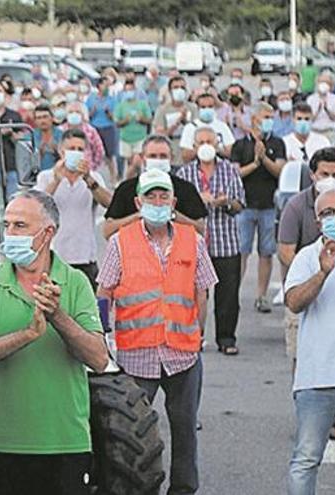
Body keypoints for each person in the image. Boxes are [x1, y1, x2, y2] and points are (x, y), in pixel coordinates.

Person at [0, 189, 108, 495]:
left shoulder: (75, 282)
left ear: (48, 233)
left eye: (20, 226)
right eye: (7, 225)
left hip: (64, 445)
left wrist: (57, 315)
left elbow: (98, 358)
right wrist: (27, 335)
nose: (10, 233)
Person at [97, 169, 217, 495]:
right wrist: (105, 337)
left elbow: (202, 291)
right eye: (151, 196)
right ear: (138, 201)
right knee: (129, 430)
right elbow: (104, 292)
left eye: (164, 195)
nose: (158, 201)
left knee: (184, 429)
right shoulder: (120, 242)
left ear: (174, 202)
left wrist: (199, 333)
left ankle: (183, 489)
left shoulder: (194, 240)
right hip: (137, 355)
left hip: (182, 354)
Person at [284, 188, 335, 494]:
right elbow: (293, 302)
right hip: (317, 378)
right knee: (305, 460)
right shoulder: (308, 256)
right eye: (328, 213)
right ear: (318, 222)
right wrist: (322, 273)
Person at [278, 147, 335, 367]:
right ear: (312, 175)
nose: (330, 180)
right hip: (307, 289)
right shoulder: (296, 206)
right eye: (324, 175)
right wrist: (313, 271)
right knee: (304, 362)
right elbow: (285, 251)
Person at [176, 127, 245, 355]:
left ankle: (226, 338)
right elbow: (176, 209)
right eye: (201, 141)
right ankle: (194, 336)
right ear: (194, 147)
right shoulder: (185, 174)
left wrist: (225, 202)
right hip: (193, 244)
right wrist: (198, 201)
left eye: (210, 141)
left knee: (228, 293)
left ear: (217, 145)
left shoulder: (229, 171)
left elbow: (240, 204)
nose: (206, 145)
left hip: (225, 242)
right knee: (193, 293)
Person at [35, 129, 112, 288]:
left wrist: (88, 179)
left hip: (85, 258)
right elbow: (37, 207)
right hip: (55, 258)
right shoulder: (46, 177)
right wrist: (56, 180)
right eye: (71, 149)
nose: (76, 153)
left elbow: (109, 204)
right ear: (61, 151)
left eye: (80, 149)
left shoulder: (94, 178)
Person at [230, 103, 287, 313]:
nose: (269, 120)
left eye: (271, 116)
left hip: (268, 206)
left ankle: (261, 296)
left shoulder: (277, 143)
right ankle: (233, 294)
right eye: (265, 116)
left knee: (266, 252)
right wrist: (254, 163)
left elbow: (280, 171)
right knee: (241, 251)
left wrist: (264, 159)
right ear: (254, 119)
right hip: (245, 206)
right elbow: (235, 173)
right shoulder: (239, 145)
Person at [103, 135, 208, 239]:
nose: (158, 160)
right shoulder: (126, 189)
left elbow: (201, 229)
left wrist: (173, 215)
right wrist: (140, 215)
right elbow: (108, 231)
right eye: (152, 156)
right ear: (142, 157)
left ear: (171, 158)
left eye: (163, 156)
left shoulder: (186, 189)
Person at [0, 83, 24, 196]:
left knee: (12, 199)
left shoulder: (14, 116)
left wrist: (12, 133)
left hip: (11, 166)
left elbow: (22, 139)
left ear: (5, 95)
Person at [153, 76, 197, 164]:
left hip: (188, 152)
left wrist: (185, 121)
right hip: (171, 150)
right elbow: (160, 135)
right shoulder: (163, 110)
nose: (179, 90)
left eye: (182, 87)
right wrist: (177, 122)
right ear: (170, 91)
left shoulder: (192, 108)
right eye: (176, 87)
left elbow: (197, 131)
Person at [179, 93, 234, 163]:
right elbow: (185, 156)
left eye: (210, 106)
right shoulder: (190, 128)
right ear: (198, 108)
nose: (207, 109)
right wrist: (203, 148)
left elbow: (230, 152)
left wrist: (216, 148)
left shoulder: (222, 126)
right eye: (203, 107)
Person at [114, 79, 152, 178]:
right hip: (126, 138)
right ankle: (130, 180)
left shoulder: (142, 104)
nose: (129, 93)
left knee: (137, 161)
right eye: (127, 91)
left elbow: (149, 120)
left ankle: (136, 178)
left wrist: (141, 119)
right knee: (129, 162)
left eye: (131, 90)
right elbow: (117, 123)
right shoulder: (120, 106)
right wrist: (124, 121)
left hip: (140, 137)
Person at [87, 76, 119, 183]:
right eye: (104, 85)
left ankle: (113, 179)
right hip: (95, 128)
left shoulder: (112, 99)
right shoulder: (91, 98)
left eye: (108, 85)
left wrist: (109, 113)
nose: (106, 87)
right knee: (92, 152)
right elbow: (87, 116)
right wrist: (93, 111)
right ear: (99, 86)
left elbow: (115, 117)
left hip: (108, 128)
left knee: (110, 155)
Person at [282, 103, 332, 167]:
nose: (303, 122)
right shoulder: (284, 142)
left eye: (307, 119)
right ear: (293, 119)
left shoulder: (323, 141)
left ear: (311, 119)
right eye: (299, 119)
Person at [64, 102, 105, 172]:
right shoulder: (60, 130)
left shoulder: (91, 131)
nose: (74, 114)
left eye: (77, 112)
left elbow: (99, 151)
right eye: (71, 112)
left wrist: (92, 166)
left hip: (86, 170)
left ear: (83, 115)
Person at [306, 73, 335, 142]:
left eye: (326, 82)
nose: (324, 84)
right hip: (314, 131)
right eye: (321, 82)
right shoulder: (310, 99)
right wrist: (318, 111)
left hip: (329, 132)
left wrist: (327, 110)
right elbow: (309, 119)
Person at [31, 104, 64, 172]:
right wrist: (39, 153)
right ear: (35, 121)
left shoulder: (62, 135)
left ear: (52, 118)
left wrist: (57, 151)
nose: (42, 121)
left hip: (59, 173)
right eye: (39, 118)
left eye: (45, 117)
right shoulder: (30, 136)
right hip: (37, 175)